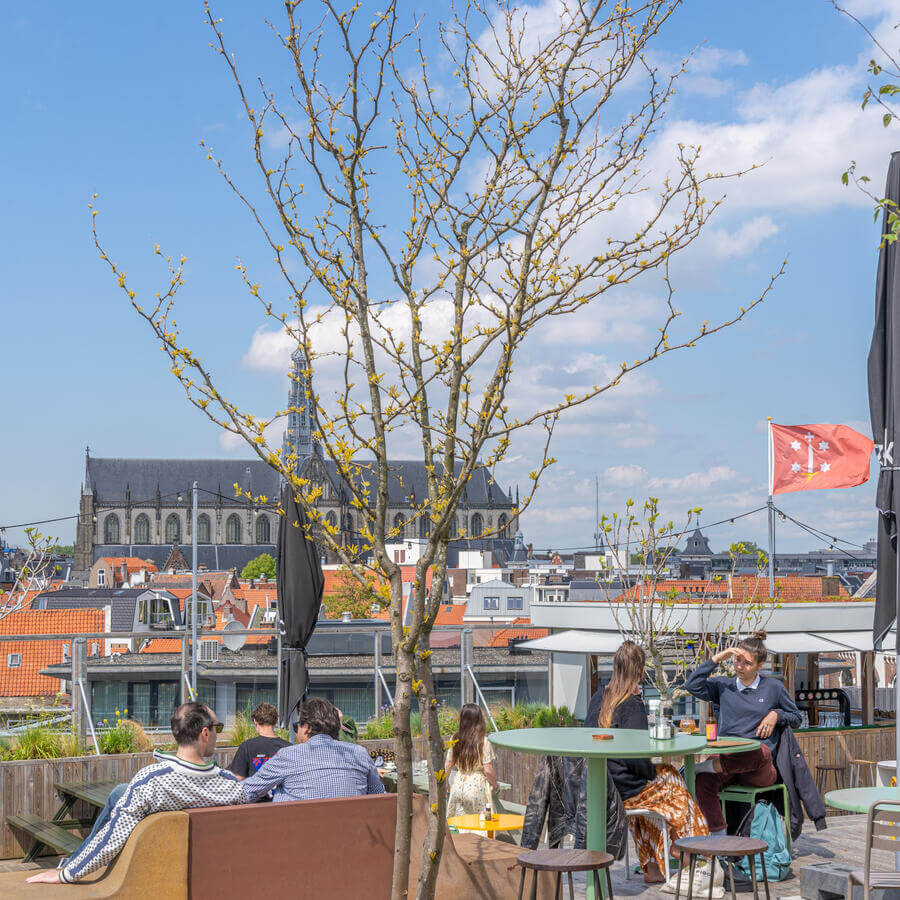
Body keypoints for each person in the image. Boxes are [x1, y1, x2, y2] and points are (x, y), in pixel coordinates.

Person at [26, 702, 245, 885]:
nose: (219, 732)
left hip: (154, 872)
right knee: (120, 792)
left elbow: (113, 837)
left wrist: (66, 875)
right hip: (215, 872)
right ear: (205, 733)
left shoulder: (152, 781)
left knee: (120, 792)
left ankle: (70, 862)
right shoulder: (230, 785)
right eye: (219, 727)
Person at [584, 642, 708, 884]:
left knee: (664, 786)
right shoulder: (632, 704)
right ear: (641, 672)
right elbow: (637, 757)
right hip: (626, 789)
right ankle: (686, 851)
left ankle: (653, 867)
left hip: (602, 786)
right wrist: (652, 771)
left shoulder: (598, 698)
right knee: (676, 786)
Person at [684, 631, 801, 836]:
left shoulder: (772, 687)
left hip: (759, 771)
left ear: (759, 665)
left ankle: (704, 767)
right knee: (702, 782)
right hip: (726, 762)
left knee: (760, 751)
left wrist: (776, 714)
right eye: (737, 660)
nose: (739, 666)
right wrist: (718, 658)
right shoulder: (724, 686)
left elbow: (797, 717)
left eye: (746, 663)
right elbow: (691, 685)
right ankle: (719, 838)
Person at [240, 697, 385, 803]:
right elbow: (379, 795)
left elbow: (245, 792)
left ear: (307, 727)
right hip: (353, 839)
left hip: (296, 839)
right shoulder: (358, 753)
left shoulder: (289, 755)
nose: (297, 731)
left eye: (297, 725)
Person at [444, 703, 499, 835]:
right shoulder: (483, 741)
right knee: (481, 826)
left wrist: (445, 783)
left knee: (458, 825)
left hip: (458, 785)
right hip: (477, 786)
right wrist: (495, 784)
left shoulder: (455, 738)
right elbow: (488, 770)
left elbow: (448, 764)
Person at [228, 702, 290, 780]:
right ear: (275, 722)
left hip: (255, 791)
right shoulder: (289, 747)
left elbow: (238, 779)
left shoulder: (247, 746)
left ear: (255, 722)